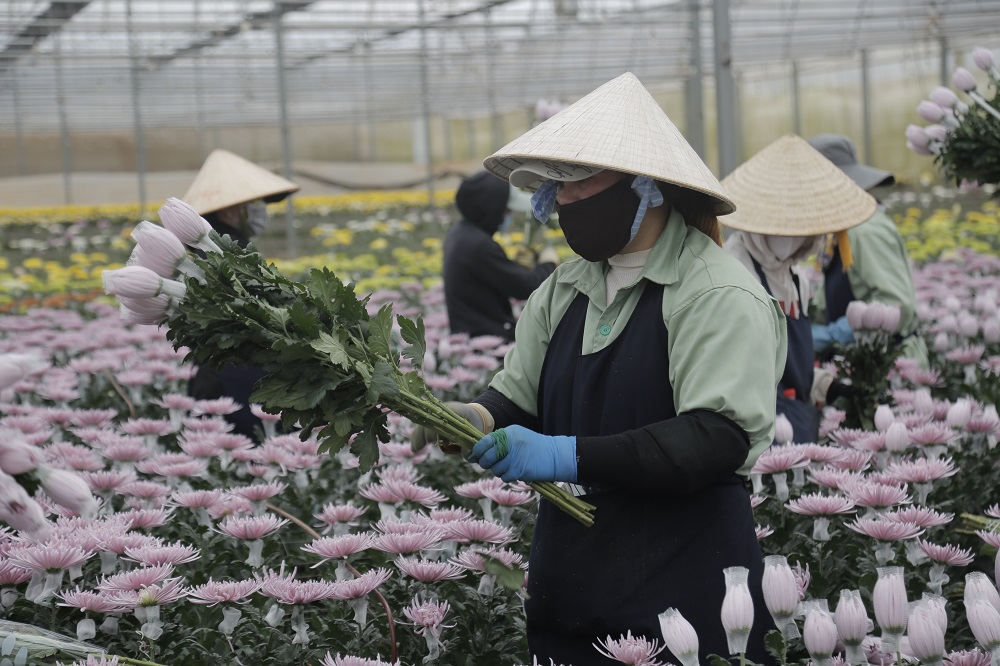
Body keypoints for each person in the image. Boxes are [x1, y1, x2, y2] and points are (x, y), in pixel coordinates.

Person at [413, 72, 785, 664]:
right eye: (557, 185)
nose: (565, 200)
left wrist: (565, 455)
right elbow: (519, 396)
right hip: (572, 585)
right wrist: (477, 417)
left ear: (646, 186)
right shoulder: (564, 290)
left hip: (684, 589)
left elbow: (714, 438)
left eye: (581, 182)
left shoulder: (715, 293)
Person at [722, 135, 875, 443]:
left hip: (798, 423)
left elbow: (793, 367)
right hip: (755, 432)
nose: (805, 241)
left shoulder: (795, 279)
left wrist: (826, 386)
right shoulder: (733, 273)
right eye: (791, 227)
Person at [182, 148, 299, 441]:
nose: (260, 211)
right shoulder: (227, 253)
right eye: (253, 204)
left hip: (217, 377)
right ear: (230, 210)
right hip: (235, 384)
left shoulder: (213, 246)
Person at [807, 134, 930, 369]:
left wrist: (834, 333)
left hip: (892, 365)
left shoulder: (865, 230)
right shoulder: (842, 230)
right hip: (863, 361)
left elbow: (896, 304)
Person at [444, 170, 559, 340]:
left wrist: (517, 267)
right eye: (507, 210)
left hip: (468, 333)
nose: (509, 215)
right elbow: (525, 287)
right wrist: (548, 263)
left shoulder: (460, 234)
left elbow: (493, 276)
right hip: (485, 341)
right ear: (492, 210)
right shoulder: (479, 246)